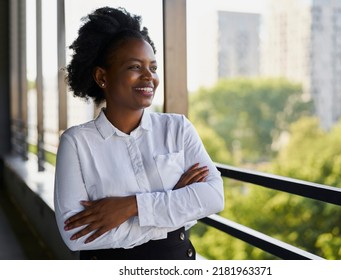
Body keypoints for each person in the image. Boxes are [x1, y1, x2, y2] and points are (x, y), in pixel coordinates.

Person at [54, 6, 224, 260]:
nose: (149, 77)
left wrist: (131, 206)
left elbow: (213, 197)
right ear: (102, 76)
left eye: (153, 68)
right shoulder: (77, 143)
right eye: (135, 67)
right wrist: (174, 204)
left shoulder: (177, 128)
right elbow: (76, 233)